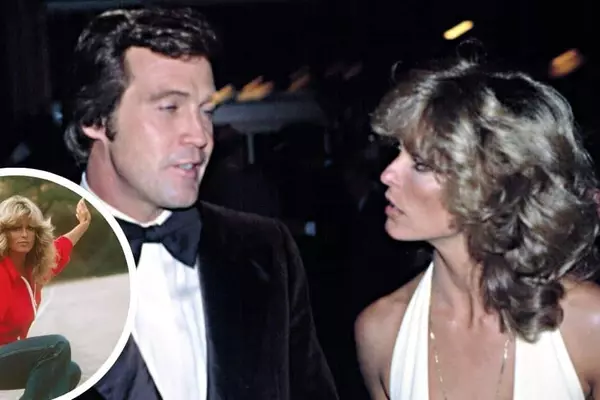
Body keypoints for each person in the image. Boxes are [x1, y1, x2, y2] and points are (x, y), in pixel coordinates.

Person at [62, 7, 338, 400]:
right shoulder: (25, 271)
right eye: (170, 108)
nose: (201, 135)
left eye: (206, 111)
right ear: (95, 119)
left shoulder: (266, 251)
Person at [354, 56, 600, 400]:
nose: (387, 174)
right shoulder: (381, 332)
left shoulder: (586, 324)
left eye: (421, 164)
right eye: (397, 153)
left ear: (493, 185)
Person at [0, 195, 91, 400]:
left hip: (6, 355)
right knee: (56, 347)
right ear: (3, 232)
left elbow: (60, 248)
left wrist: (83, 225)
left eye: (30, 228)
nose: (24, 234)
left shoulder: (33, 269)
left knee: (69, 371)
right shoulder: (2, 272)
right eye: (16, 228)